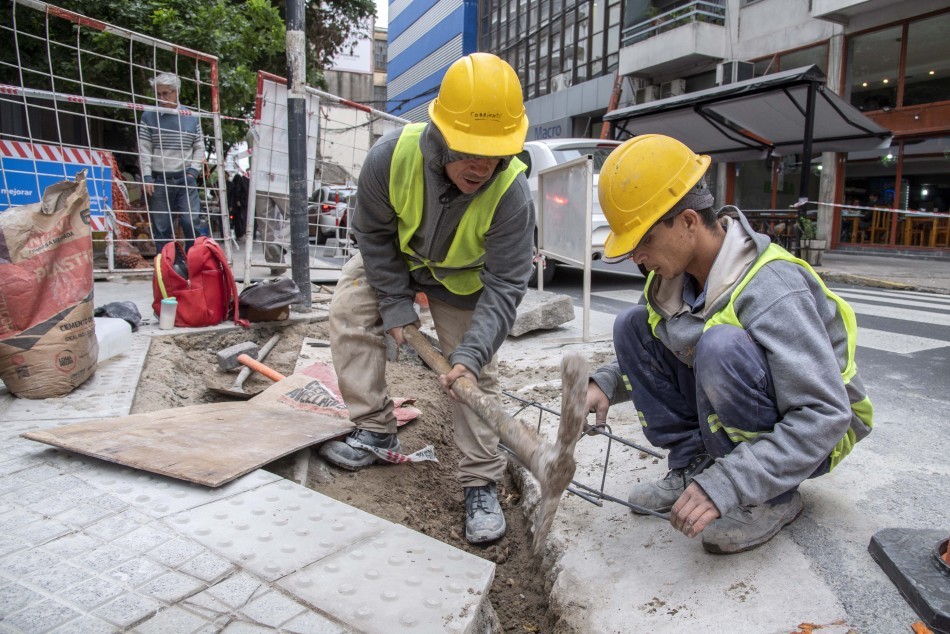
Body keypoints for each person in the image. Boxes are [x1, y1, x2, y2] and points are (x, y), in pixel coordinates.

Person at [586, 134, 873, 554]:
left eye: (643, 240)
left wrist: (731, 481)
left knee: (719, 345)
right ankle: (695, 462)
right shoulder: (669, 281)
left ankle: (769, 496)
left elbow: (825, 415)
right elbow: (661, 351)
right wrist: (606, 383)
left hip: (816, 439)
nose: (637, 257)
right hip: (754, 418)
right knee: (631, 324)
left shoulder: (771, 288)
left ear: (687, 222)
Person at [319, 53, 535, 545]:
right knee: (349, 308)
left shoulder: (512, 195)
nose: (482, 166)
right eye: (469, 149)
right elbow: (372, 234)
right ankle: (375, 428)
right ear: (440, 134)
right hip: (398, 260)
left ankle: (480, 480)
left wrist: (470, 355)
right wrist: (396, 304)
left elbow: (505, 286)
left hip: (464, 283)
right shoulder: (389, 157)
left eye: (494, 152)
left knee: (477, 374)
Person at [137, 73, 205, 254]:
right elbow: (144, 149)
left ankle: (192, 259)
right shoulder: (148, 116)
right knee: (161, 227)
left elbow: (199, 147)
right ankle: (167, 265)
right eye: (158, 94)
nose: (161, 98)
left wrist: (193, 172)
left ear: (177, 93)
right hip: (159, 179)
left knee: (191, 222)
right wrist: (147, 177)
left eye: (166, 93)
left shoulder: (191, 116)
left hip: (185, 177)